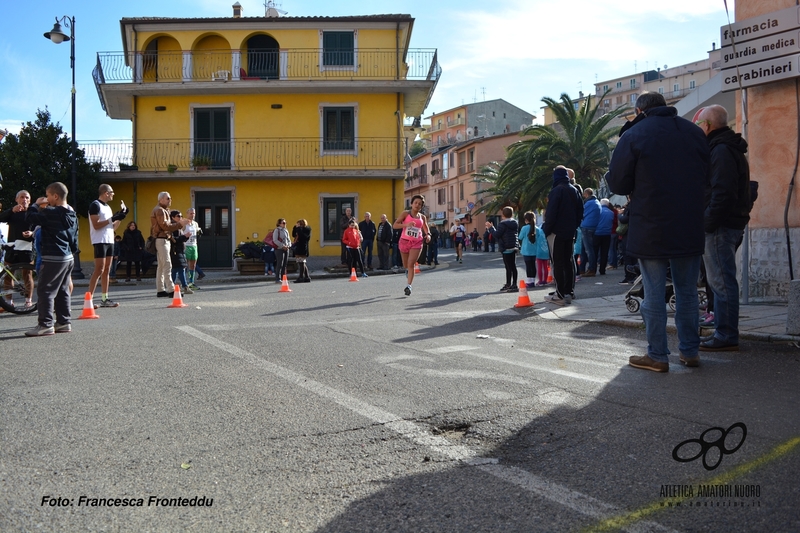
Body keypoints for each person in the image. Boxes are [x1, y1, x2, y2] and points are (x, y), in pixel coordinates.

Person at [607, 91, 710, 372]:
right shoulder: (693, 132)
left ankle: (657, 355)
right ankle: (690, 351)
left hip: (651, 223)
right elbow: (708, 176)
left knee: (652, 291)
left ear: (640, 110)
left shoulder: (635, 134)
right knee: (687, 292)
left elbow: (617, 183)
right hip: (688, 222)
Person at [695, 104, 751, 352]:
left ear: (707, 125)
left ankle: (726, 334)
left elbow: (722, 192)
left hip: (719, 226)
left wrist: (706, 224)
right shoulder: (726, 147)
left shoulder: (720, 150)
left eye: (699, 124)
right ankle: (724, 332)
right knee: (722, 281)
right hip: (725, 223)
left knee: (722, 282)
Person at [22, 183, 78, 336]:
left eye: (47, 195)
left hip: (53, 257)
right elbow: (74, 239)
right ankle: (64, 322)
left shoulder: (51, 212)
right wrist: (71, 252)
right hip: (68, 257)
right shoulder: (72, 214)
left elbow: (30, 217)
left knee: (45, 290)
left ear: (55, 196)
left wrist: (35, 204)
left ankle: (45, 324)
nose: (46, 199)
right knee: (63, 290)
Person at [542, 166, 583, 305]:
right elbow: (580, 211)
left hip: (557, 232)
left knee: (557, 263)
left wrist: (546, 230)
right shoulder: (574, 190)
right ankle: (568, 291)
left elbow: (551, 213)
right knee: (569, 261)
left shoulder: (556, 191)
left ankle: (559, 294)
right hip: (570, 231)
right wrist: (574, 226)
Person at [87, 184, 127, 307]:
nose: (113, 194)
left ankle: (105, 299)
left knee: (107, 270)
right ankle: (88, 299)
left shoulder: (108, 207)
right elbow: (96, 225)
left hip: (110, 240)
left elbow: (112, 226)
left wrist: (120, 217)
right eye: (112, 192)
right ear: (106, 193)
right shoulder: (95, 205)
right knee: (99, 270)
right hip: (99, 241)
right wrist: (112, 219)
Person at [0, 190, 35, 308]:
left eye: (26, 198)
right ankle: (9, 302)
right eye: (21, 197)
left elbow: (39, 226)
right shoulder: (12, 212)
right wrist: (11, 210)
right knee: (8, 275)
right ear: (17, 199)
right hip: (12, 247)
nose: (24, 200)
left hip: (27, 247)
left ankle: (28, 300)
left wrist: (32, 233)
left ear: (29, 201)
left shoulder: (33, 212)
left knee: (27, 274)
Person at [150, 191, 189, 297]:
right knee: (167, 264)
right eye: (168, 198)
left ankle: (160, 289)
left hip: (162, 239)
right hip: (162, 240)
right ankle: (171, 289)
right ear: (161, 199)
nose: (170, 200)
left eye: (170, 198)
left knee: (162, 266)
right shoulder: (160, 211)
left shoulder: (162, 210)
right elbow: (165, 226)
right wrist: (179, 224)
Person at [393, 194, 431, 296]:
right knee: (406, 265)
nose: (417, 205)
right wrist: (406, 225)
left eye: (419, 204)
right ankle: (408, 271)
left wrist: (428, 235)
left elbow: (426, 227)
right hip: (404, 241)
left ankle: (409, 286)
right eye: (416, 203)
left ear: (421, 206)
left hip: (417, 242)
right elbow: (395, 225)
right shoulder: (405, 214)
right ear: (411, 204)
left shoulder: (422, 217)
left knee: (411, 263)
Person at [495, 206, 520, 292]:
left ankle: (508, 284)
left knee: (508, 267)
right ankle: (514, 284)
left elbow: (497, 234)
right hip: (513, 246)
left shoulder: (502, 224)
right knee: (513, 266)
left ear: (503, 215)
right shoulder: (515, 223)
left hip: (505, 247)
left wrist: (490, 228)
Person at [169, 210, 193, 294]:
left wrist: (186, 237)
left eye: (181, 216)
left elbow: (180, 238)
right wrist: (184, 237)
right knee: (178, 269)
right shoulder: (172, 227)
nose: (180, 218)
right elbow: (173, 239)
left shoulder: (178, 227)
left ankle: (172, 286)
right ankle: (183, 286)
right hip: (175, 251)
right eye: (178, 216)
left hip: (179, 250)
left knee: (177, 270)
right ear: (172, 217)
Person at [580, 187, 601, 277]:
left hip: (586, 227)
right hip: (594, 227)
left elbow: (581, 213)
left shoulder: (588, 203)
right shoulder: (597, 202)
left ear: (587, 194)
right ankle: (582, 269)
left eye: (584, 195)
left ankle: (591, 269)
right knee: (586, 249)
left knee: (588, 250)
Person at [593, 199, 615, 276]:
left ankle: (593, 269)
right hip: (607, 234)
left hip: (597, 233)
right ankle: (602, 270)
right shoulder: (611, 213)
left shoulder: (598, 211)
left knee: (595, 252)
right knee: (604, 252)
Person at [184, 208, 201, 290]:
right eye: (190, 213)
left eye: (193, 213)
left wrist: (199, 231)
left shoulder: (195, 224)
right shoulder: (184, 223)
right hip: (186, 245)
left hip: (194, 245)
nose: (192, 215)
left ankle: (191, 282)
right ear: (187, 214)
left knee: (193, 265)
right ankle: (184, 283)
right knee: (185, 265)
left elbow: (197, 231)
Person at [273, 218, 291, 283]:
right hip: (279, 249)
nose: (285, 224)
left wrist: (288, 245)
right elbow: (275, 240)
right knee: (279, 264)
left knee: (285, 264)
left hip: (286, 248)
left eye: (285, 223)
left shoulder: (286, 230)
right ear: (279, 224)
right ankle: (278, 278)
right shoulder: (277, 230)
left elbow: (289, 239)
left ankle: (284, 278)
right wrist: (282, 246)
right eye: (283, 223)